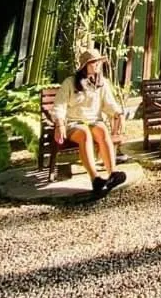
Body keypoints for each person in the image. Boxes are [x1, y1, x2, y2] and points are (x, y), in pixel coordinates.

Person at [53, 49, 127, 198]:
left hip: (94, 121)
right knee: (84, 134)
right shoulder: (70, 82)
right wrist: (59, 124)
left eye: (99, 62)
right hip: (74, 123)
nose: (97, 65)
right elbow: (59, 106)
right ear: (85, 65)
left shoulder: (102, 83)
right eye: (93, 62)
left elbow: (109, 104)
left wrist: (118, 113)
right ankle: (96, 179)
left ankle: (112, 173)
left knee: (102, 130)